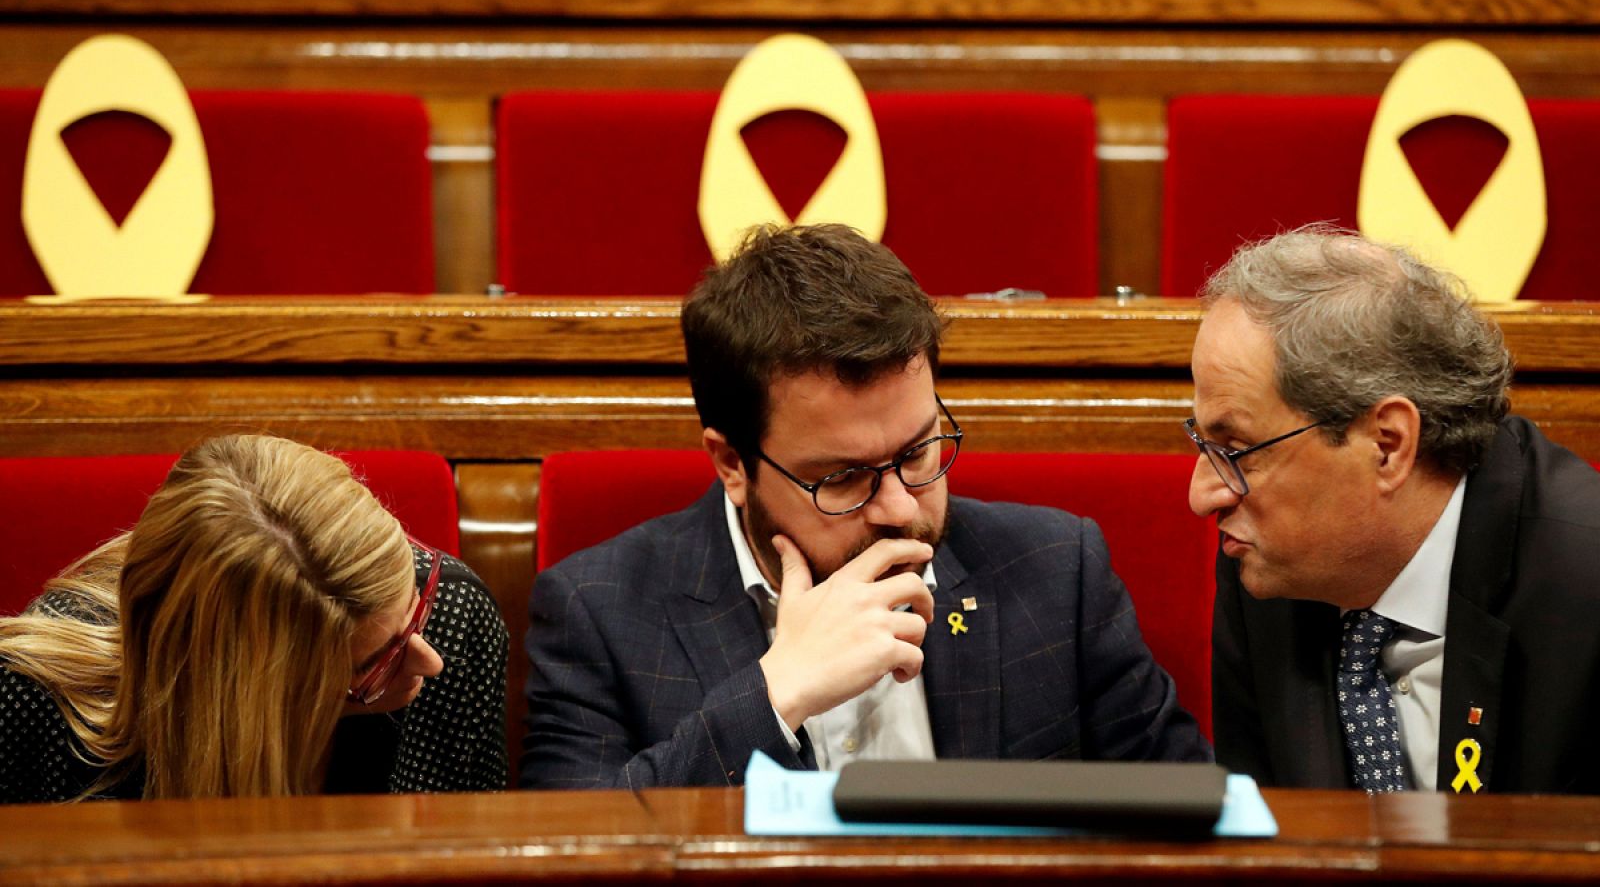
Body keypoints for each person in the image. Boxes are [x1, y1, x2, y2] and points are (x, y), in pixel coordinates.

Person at [521, 224, 1209, 789]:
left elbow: (1191, 818)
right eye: (844, 477)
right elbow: (574, 860)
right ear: (733, 464)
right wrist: (774, 695)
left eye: (918, 452)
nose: (899, 506)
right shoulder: (599, 612)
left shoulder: (1058, 576)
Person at [1190, 226, 1600, 794]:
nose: (1202, 494)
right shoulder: (1267, 568)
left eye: (1236, 451)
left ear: (1387, 444)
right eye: (1204, 445)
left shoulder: (1584, 584)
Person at [0, 435, 509, 802]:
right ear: (245, 689)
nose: (430, 661)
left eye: (415, 605)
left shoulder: (455, 616)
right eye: (371, 666)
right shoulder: (30, 707)